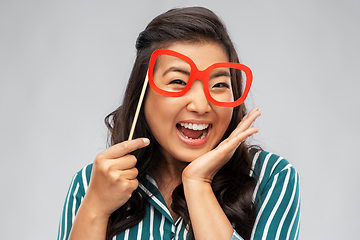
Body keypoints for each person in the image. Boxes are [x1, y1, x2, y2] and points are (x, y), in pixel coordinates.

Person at [57, 6, 300, 240]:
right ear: (142, 94)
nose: (201, 105)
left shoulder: (271, 176)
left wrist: (198, 184)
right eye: (178, 82)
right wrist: (95, 210)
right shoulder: (93, 183)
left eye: (219, 85)